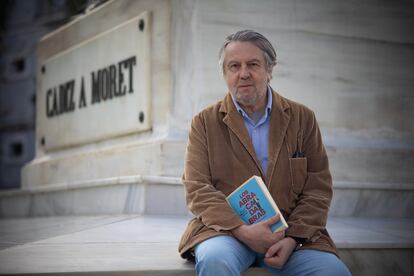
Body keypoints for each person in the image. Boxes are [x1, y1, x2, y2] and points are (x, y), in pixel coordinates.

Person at [178, 29, 351, 276]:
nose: (243, 73)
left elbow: (318, 188)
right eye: (234, 66)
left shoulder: (303, 119)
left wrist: (292, 238)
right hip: (227, 233)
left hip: (292, 237)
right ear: (225, 74)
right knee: (215, 259)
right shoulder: (204, 123)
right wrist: (241, 229)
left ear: (270, 70)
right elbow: (197, 188)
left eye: (253, 64)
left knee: (334, 272)